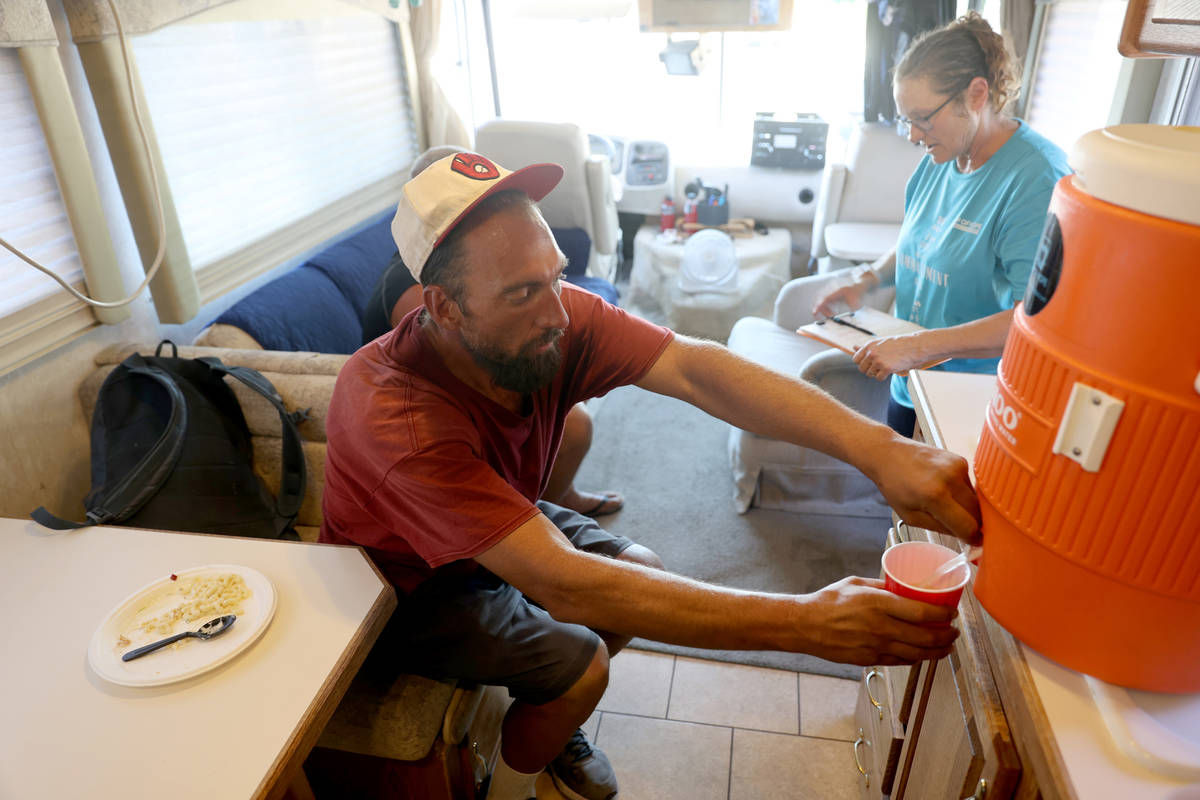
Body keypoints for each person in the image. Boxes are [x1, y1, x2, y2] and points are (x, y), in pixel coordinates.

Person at [321, 151, 982, 800]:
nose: (557, 312)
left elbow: (694, 368)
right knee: (583, 668)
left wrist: (879, 449)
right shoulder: (394, 412)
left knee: (642, 564)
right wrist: (805, 624)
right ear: (444, 307)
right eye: (523, 292)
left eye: (555, 276)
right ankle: (515, 784)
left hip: (492, 517)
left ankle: (547, 722)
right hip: (407, 586)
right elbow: (565, 582)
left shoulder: (553, 318)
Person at [814, 12, 1071, 436]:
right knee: (897, 498)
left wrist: (918, 348)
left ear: (976, 94)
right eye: (905, 120)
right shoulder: (941, 156)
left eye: (922, 118)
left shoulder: (1036, 180)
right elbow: (921, 241)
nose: (913, 136)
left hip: (971, 399)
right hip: (910, 381)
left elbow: (1034, 320)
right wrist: (869, 279)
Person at [361, 145, 624, 517]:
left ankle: (558, 498)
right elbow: (467, 364)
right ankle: (539, 510)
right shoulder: (411, 289)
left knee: (574, 422)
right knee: (574, 424)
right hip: (443, 414)